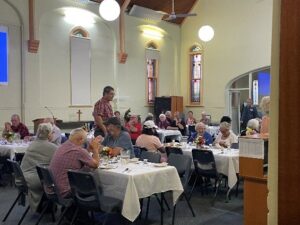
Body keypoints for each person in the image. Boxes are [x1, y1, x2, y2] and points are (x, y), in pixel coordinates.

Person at [49, 128, 101, 198]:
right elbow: (95, 165)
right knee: (99, 186)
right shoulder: (78, 150)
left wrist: (88, 150)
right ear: (81, 139)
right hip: (67, 191)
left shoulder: (62, 147)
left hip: (55, 188)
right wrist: (95, 149)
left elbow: (80, 157)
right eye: (85, 141)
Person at [20, 123, 57, 212]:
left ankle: (44, 206)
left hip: (24, 178)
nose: (53, 134)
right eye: (52, 132)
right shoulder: (53, 147)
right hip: (36, 181)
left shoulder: (32, 144)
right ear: (48, 134)